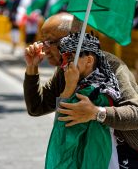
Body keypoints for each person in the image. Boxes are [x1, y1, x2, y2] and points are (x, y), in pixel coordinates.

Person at [24, 12, 138, 168]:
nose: (44, 49)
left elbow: (137, 116)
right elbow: (37, 108)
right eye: (42, 41)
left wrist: (96, 112)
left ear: (74, 39)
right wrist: (32, 67)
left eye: (49, 42)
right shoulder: (65, 71)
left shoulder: (112, 66)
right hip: (101, 155)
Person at [46, 32, 121, 168]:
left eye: (69, 57)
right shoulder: (93, 85)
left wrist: (69, 87)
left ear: (89, 61)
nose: (64, 65)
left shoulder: (92, 93)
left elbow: (61, 133)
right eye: (62, 58)